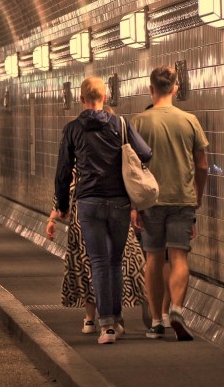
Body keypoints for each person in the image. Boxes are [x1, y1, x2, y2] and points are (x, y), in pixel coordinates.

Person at [53, 77, 152, 344]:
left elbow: (63, 172)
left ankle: (106, 326)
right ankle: (116, 321)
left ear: (81, 99)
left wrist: (62, 205)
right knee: (114, 261)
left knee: (98, 262)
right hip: (119, 201)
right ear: (105, 97)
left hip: (88, 202)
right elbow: (145, 153)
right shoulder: (120, 124)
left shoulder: (73, 128)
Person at [131, 66, 209, 341]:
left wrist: (134, 205)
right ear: (176, 89)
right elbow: (202, 165)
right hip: (182, 199)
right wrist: (196, 197)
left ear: (151, 89)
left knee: (153, 257)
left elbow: (132, 167)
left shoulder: (139, 122)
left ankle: (155, 322)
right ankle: (175, 308)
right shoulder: (190, 121)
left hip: (151, 201)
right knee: (179, 257)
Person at [46, 169, 147, 335]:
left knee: (89, 265)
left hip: (84, 215)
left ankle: (90, 318)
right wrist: (133, 208)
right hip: (116, 209)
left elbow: (64, 185)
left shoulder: (79, 152)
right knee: (115, 265)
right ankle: (114, 317)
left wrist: (53, 217)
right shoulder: (116, 147)